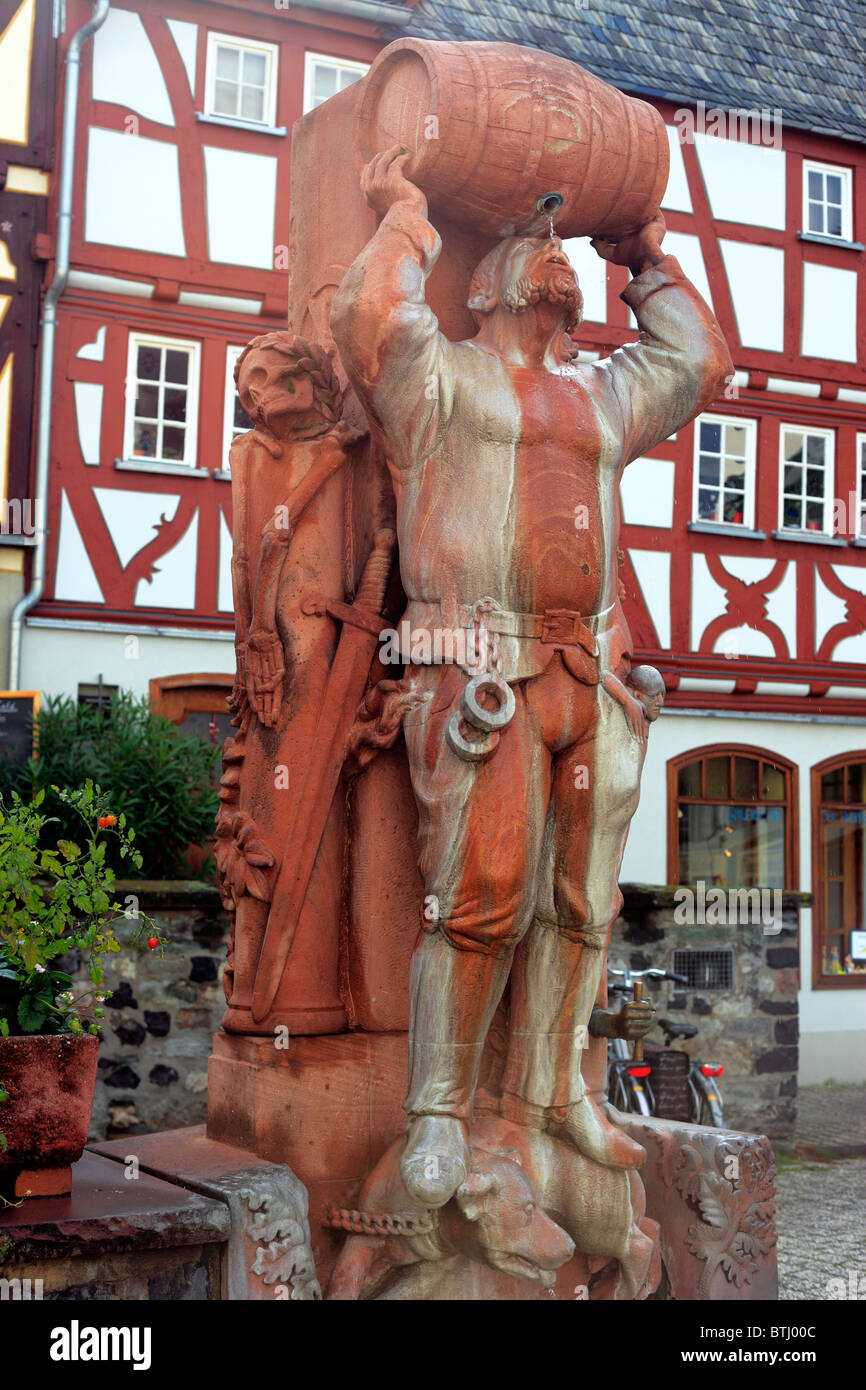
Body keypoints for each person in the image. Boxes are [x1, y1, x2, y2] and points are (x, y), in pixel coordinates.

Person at [331, 147, 732, 1207]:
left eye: (558, 253)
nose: (548, 260)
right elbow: (367, 319)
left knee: (580, 907)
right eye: (525, 249)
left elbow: (699, 366)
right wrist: (407, 216)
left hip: (588, 676)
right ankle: (434, 1116)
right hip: (475, 666)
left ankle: (555, 1091)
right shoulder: (441, 378)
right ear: (478, 283)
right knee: (479, 899)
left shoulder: (598, 393)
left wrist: (640, 257)